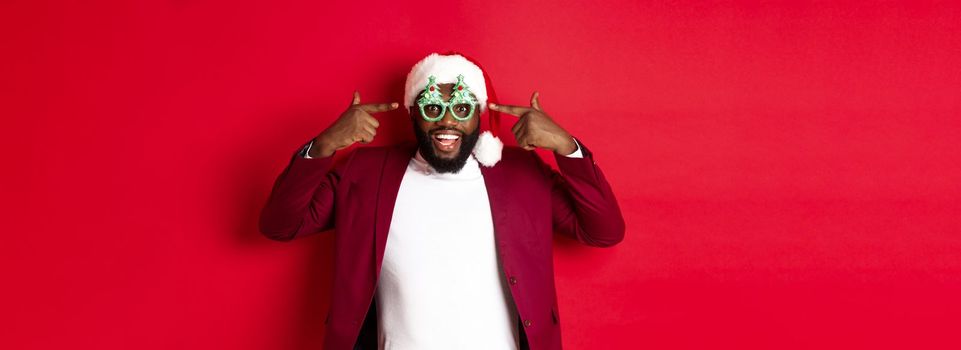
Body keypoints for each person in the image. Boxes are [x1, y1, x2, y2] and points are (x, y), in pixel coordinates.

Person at [259, 52, 625, 350]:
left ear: (479, 116)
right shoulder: (366, 172)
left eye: (462, 109)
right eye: (432, 108)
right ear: (413, 112)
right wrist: (323, 146)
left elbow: (603, 230)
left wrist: (566, 147)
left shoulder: (521, 175)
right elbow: (281, 225)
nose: (447, 121)